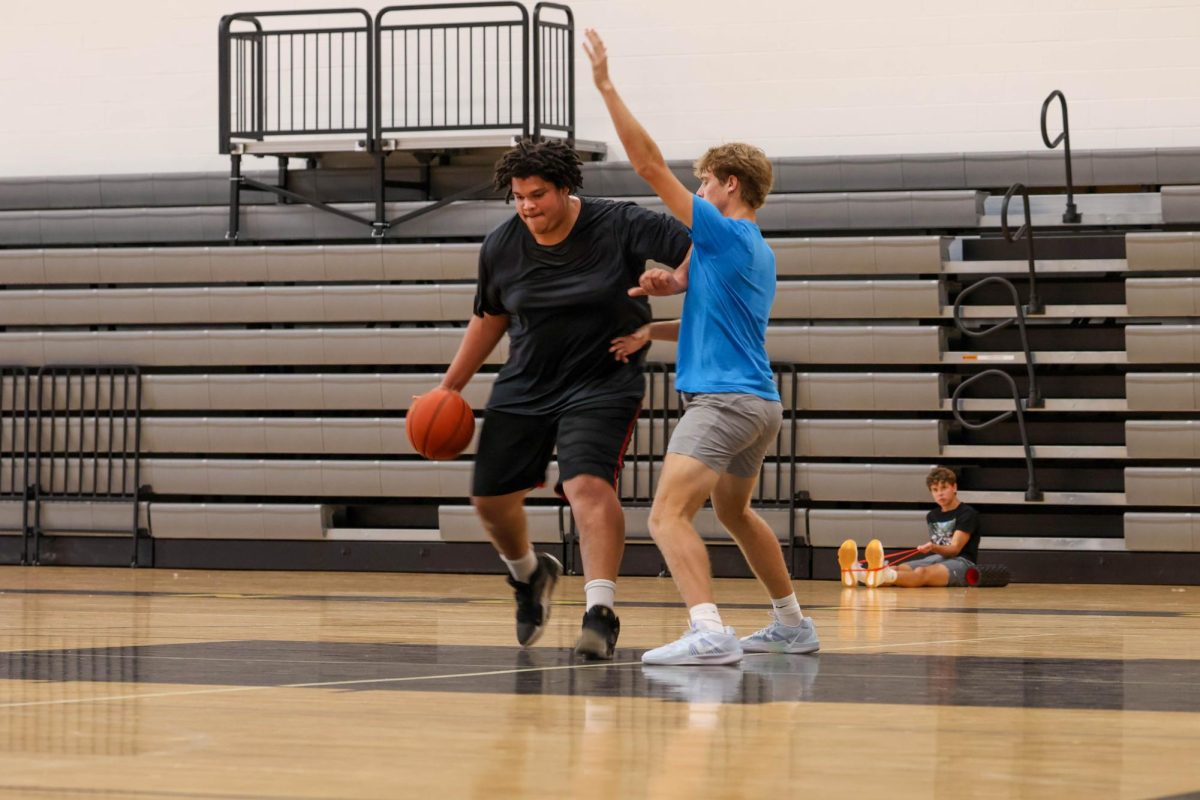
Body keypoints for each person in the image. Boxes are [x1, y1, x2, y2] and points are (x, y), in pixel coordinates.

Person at [585, 29, 819, 666]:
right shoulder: (749, 251)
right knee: (735, 513)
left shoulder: (727, 233)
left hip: (723, 401)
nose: (702, 190)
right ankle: (792, 624)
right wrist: (654, 316)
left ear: (731, 187)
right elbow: (691, 296)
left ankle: (708, 628)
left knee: (665, 515)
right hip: (757, 404)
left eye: (708, 182)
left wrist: (606, 86)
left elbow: (648, 166)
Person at [436, 138, 692, 660]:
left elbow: (702, 242)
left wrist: (675, 280)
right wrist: (449, 387)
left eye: (538, 194)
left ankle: (600, 611)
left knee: (587, 486)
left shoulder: (619, 223)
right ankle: (530, 576)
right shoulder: (502, 246)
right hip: (526, 382)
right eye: (519, 196)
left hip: (602, 379)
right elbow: (490, 317)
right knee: (489, 501)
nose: (528, 206)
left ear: (566, 188)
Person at [838, 466, 980, 588]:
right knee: (900, 568)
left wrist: (932, 547)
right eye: (935, 490)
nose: (940, 493)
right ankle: (858, 573)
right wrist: (934, 549)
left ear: (954, 487)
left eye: (944, 488)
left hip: (962, 563)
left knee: (921, 573)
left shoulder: (967, 513)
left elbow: (955, 549)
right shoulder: (932, 515)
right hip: (939, 557)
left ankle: (878, 575)